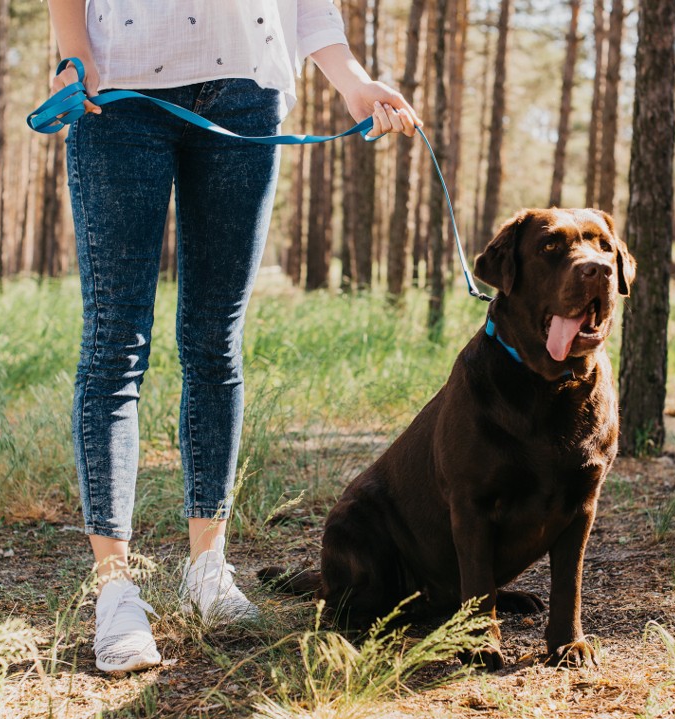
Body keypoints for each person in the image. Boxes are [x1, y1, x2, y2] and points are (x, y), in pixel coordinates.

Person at [46, 0, 421, 674]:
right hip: (118, 87)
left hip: (247, 89)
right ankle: (115, 593)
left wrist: (353, 80)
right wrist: (76, 53)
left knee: (214, 342)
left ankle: (207, 570)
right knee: (114, 344)